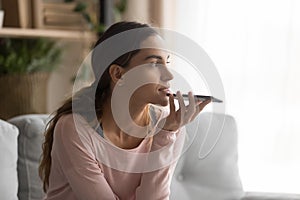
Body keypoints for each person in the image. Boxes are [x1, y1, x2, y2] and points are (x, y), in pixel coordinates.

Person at [39, 21, 211, 200]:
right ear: (118, 74)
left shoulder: (170, 126)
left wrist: (166, 134)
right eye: (154, 63)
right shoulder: (75, 129)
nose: (169, 75)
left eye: (166, 62)